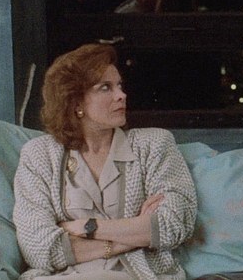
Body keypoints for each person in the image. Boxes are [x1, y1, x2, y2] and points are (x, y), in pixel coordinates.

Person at [13, 43, 197, 280]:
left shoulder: (154, 144)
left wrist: (86, 227)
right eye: (105, 88)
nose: (121, 95)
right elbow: (38, 249)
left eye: (119, 85)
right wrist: (138, 231)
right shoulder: (39, 155)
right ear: (76, 102)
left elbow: (174, 225)